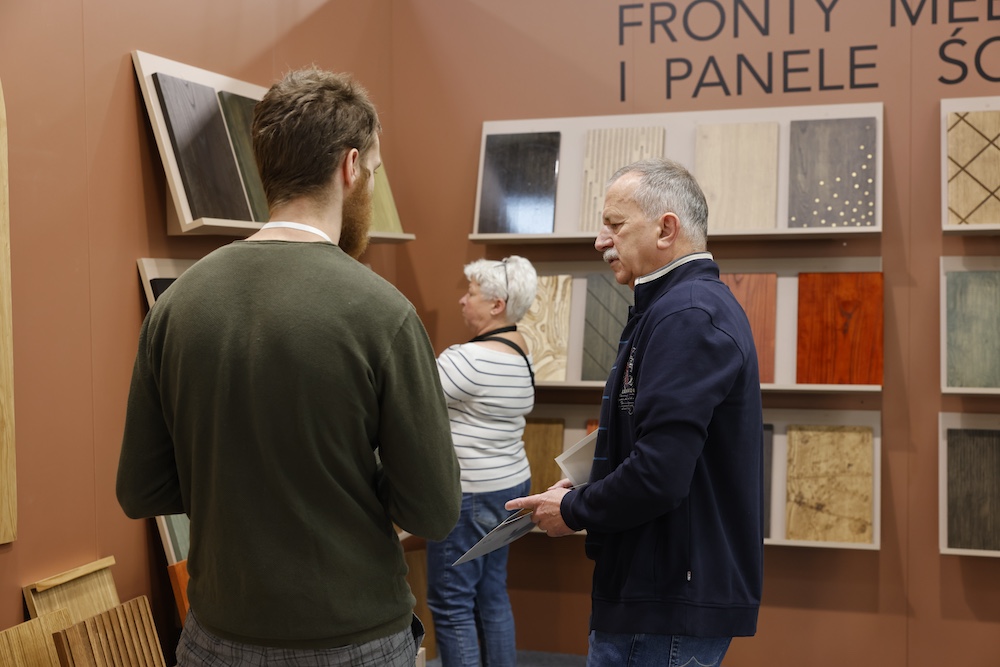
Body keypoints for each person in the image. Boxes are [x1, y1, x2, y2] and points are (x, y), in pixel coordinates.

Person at [116, 67, 461, 667]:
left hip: (214, 636)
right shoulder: (384, 313)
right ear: (350, 167)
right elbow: (432, 509)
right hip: (351, 637)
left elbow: (140, 488)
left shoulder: (176, 305)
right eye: (374, 170)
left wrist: (232, 483)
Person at [506, 158, 763, 667]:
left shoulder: (688, 315)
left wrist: (574, 509)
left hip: (664, 600)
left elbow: (659, 474)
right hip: (658, 592)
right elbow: (659, 449)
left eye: (615, 225)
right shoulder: (677, 308)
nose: (600, 241)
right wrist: (590, 486)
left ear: (666, 229)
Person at [427, 255, 538, 667]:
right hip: (512, 485)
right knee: (491, 593)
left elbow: (409, 402)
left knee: (451, 601)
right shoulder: (523, 351)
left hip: (470, 493)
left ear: (497, 305)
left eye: (471, 293)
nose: (462, 300)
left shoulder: (466, 360)